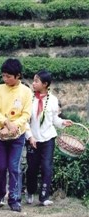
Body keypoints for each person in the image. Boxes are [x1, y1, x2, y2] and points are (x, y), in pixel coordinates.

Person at [25, 70, 73, 206]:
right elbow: (25, 121)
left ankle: (44, 197)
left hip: (48, 138)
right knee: (32, 168)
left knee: (47, 167)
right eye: (33, 80)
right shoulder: (29, 98)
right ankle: (30, 191)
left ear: (45, 84)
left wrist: (63, 122)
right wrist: (29, 137)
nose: (33, 83)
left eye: (36, 81)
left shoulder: (52, 100)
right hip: (33, 139)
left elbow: (54, 119)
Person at [0, 58, 32, 212]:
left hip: (18, 134)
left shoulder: (26, 92)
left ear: (18, 75)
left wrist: (15, 126)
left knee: (14, 168)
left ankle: (14, 198)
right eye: (4, 76)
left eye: (9, 76)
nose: (5, 79)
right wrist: (7, 123)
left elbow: (27, 114)